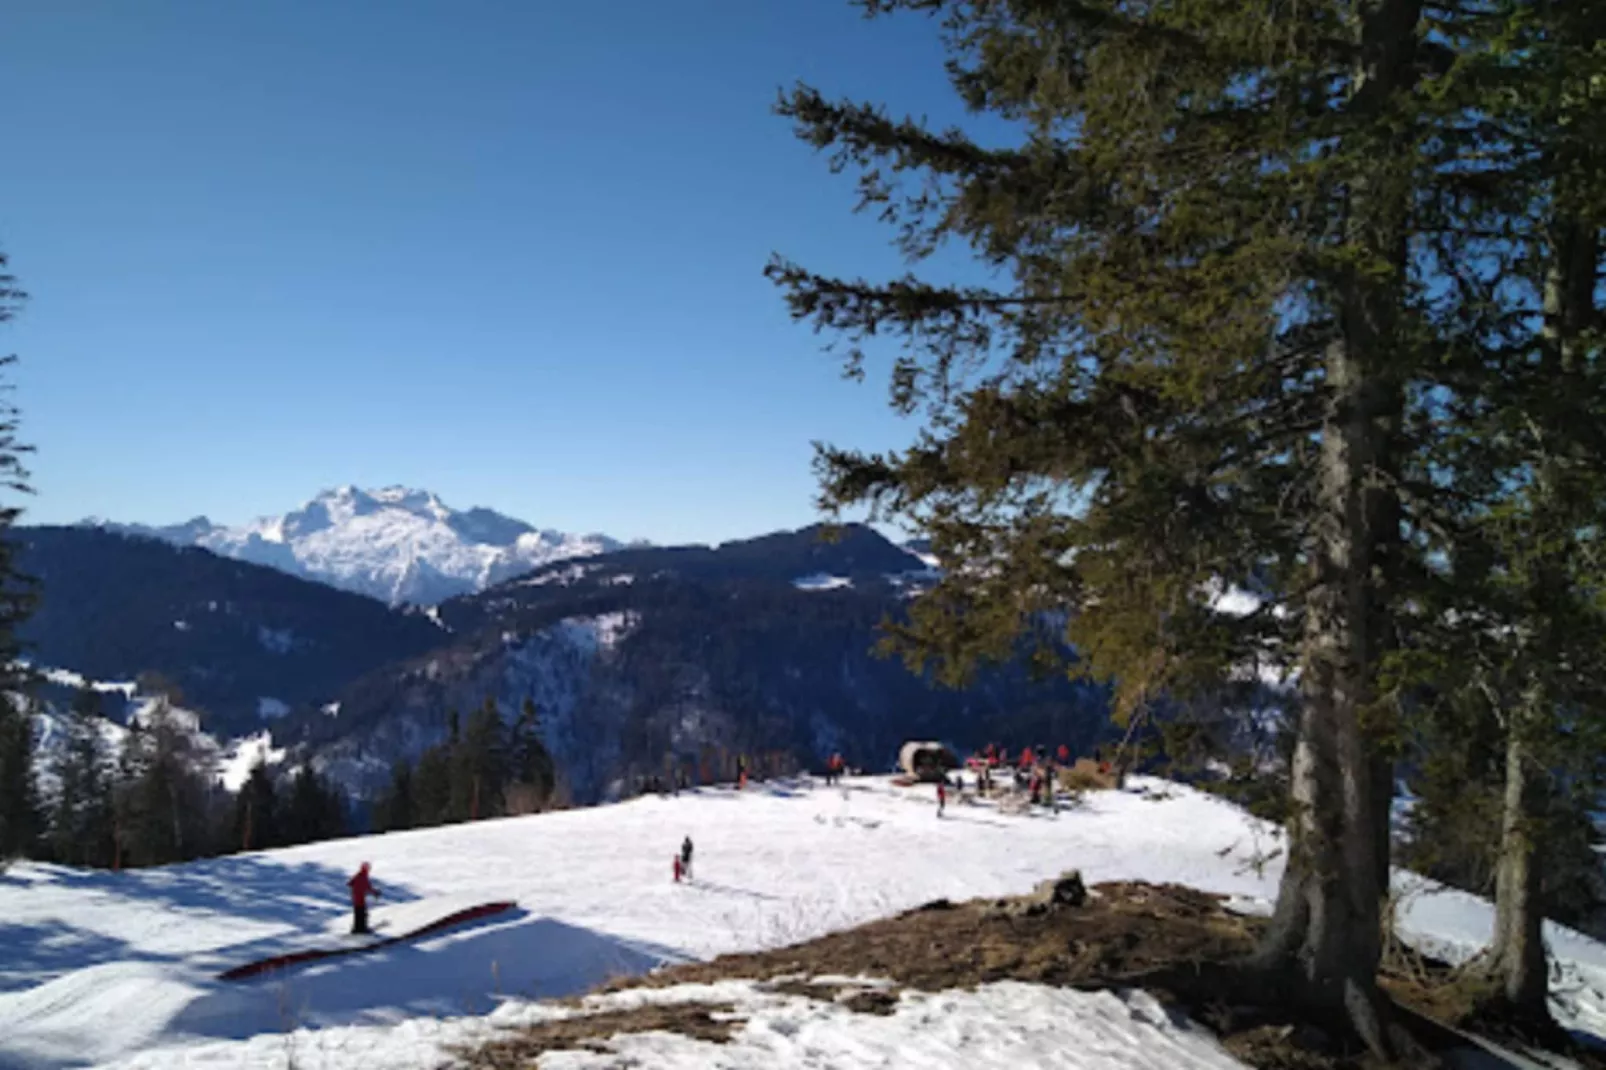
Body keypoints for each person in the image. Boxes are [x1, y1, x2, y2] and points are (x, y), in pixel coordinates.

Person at [348, 862, 381, 935]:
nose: (369, 870)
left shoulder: (358, 875)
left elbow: (350, 883)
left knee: (358, 913)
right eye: (368, 868)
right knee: (362, 914)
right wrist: (375, 892)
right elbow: (368, 887)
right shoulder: (363, 877)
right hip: (361, 899)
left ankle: (356, 928)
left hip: (355, 898)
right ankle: (362, 929)